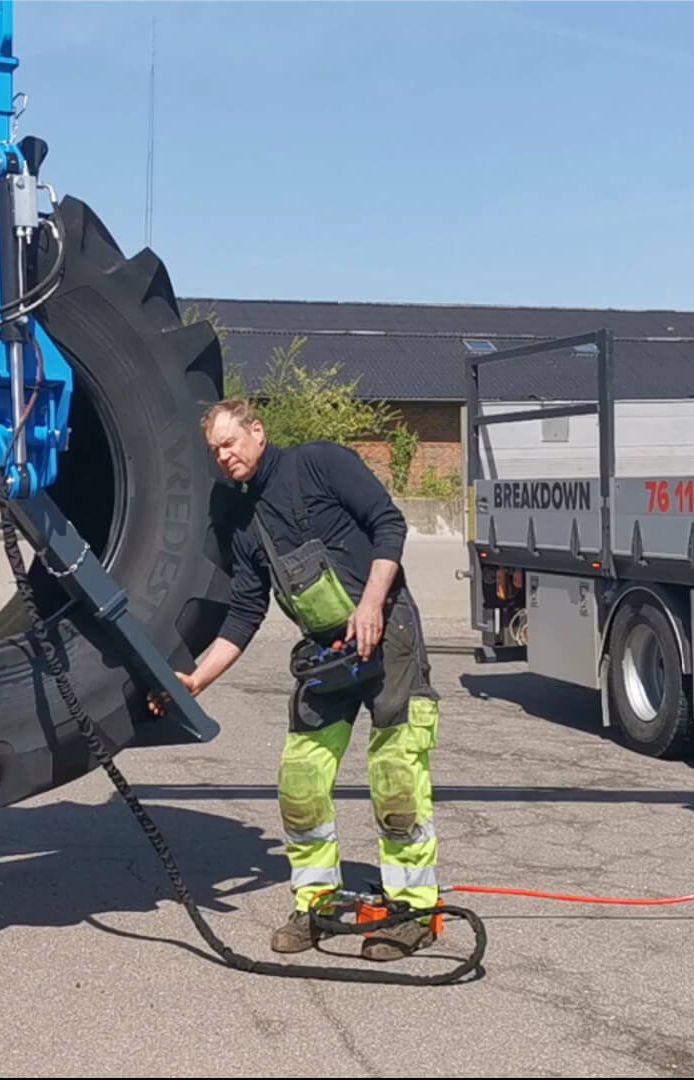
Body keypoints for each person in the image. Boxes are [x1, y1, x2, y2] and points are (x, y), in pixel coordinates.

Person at [159, 398, 443, 962]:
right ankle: (316, 905)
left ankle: (414, 911)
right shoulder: (245, 523)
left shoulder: (318, 464)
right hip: (326, 653)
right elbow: (244, 614)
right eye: (215, 450)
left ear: (257, 431)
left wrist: (371, 606)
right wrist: (196, 679)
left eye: (230, 442)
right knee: (301, 779)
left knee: (395, 776)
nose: (224, 456)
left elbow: (389, 523)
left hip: (387, 634)